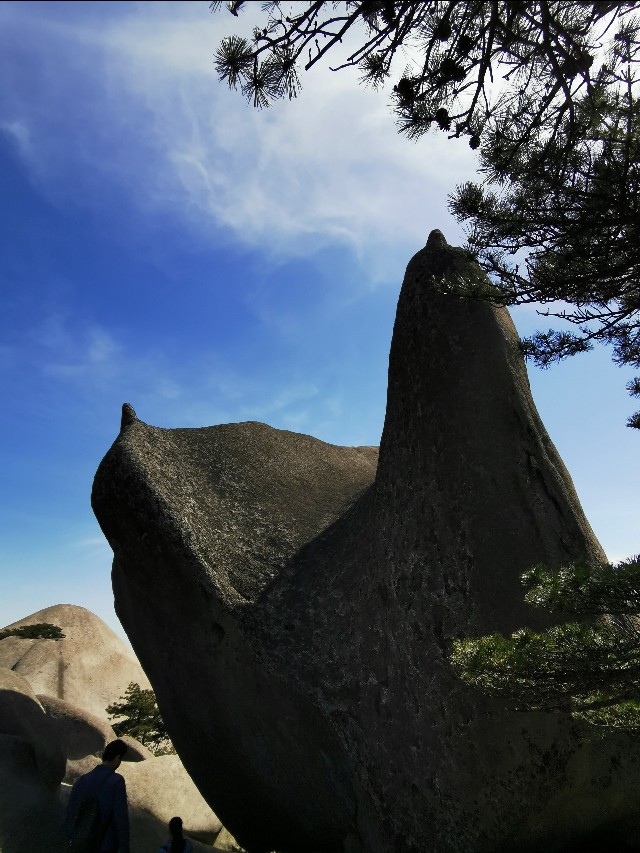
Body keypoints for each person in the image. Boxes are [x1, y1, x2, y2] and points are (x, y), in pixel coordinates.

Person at [66, 738, 130, 853]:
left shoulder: (82, 781)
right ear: (117, 758)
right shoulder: (116, 781)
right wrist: (124, 847)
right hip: (104, 844)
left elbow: (71, 814)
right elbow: (120, 818)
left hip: (79, 844)